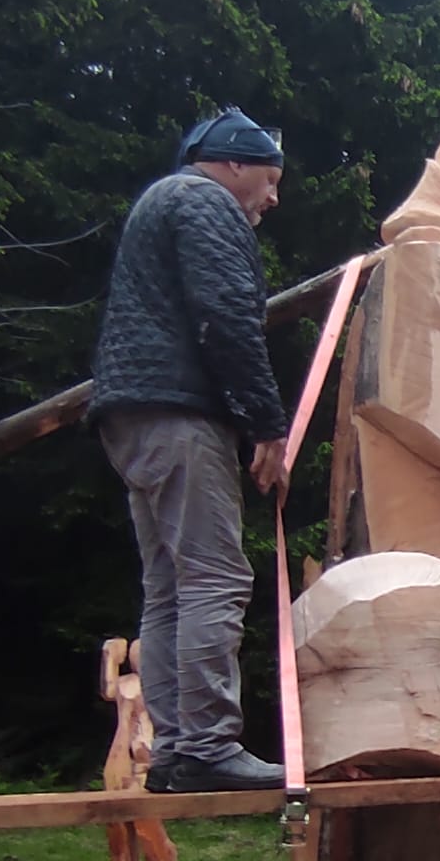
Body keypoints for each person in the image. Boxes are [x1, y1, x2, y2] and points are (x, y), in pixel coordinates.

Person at [89, 107, 290, 793]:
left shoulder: (163, 201)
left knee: (170, 587)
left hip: (133, 415)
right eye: (269, 179)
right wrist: (266, 424)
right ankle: (206, 745)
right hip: (178, 414)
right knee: (214, 578)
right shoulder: (205, 203)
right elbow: (227, 318)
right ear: (233, 163)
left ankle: (176, 749)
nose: (272, 197)